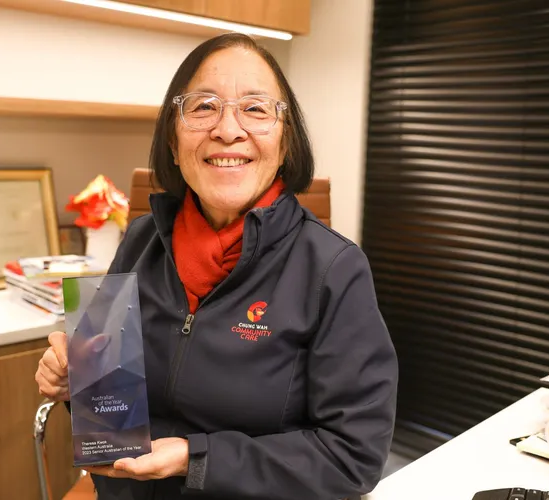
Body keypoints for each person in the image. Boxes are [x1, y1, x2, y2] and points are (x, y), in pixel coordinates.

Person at [35, 32, 398, 500]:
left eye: (255, 108)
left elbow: (353, 458)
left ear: (285, 142)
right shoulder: (142, 240)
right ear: (173, 136)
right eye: (203, 106)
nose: (228, 130)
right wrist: (74, 382)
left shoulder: (334, 268)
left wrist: (194, 458)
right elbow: (110, 412)